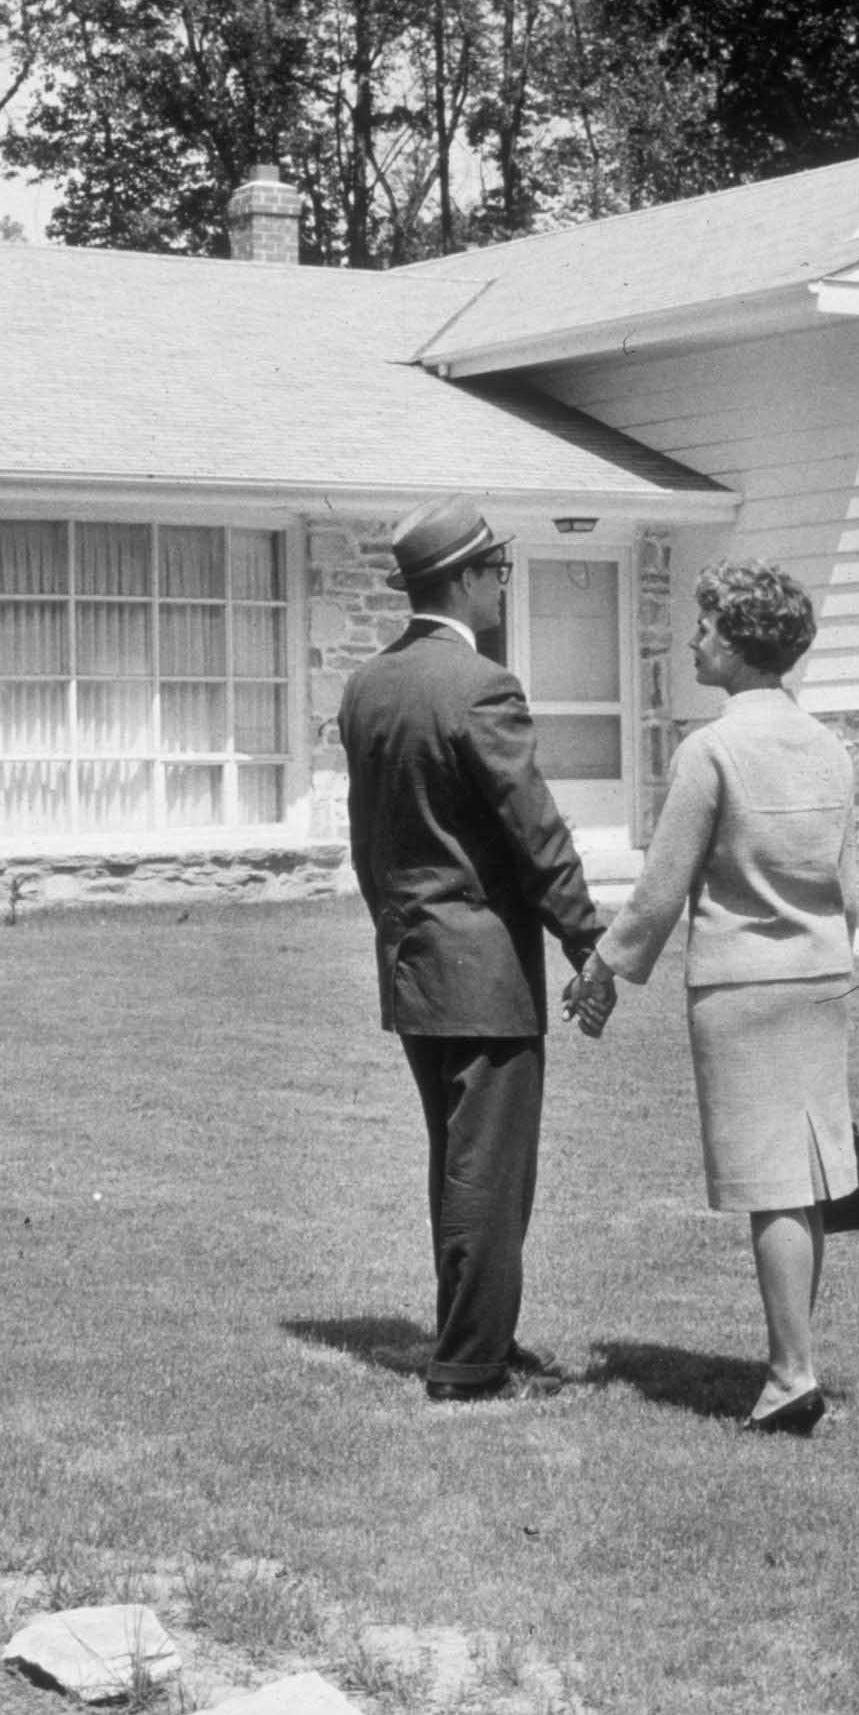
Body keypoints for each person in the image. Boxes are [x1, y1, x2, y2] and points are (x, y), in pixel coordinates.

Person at [569, 560, 857, 1436]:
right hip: (820, 980)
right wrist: (841, 966)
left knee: (773, 1181)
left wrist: (601, 971)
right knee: (803, 1180)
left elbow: (659, 890)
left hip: (742, 987)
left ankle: (788, 1374)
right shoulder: (831, 745)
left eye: (704, 628)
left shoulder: (711, 749)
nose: (693, 639)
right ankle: (794, 1364)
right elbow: (848, 885)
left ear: (736, 645)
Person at [339, 495, 612, 1404]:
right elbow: (535, 831)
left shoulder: (370, 685)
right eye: (498, 569)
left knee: (456, 1163)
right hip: (486, 968)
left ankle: (473, 1336)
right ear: (463, 577)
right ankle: (470, 1362)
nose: (505, 584)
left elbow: (368, 842)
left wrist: (401, 926)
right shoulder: (480, 684)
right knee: (489, 1172)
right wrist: (589, 942)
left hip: (414, 958)